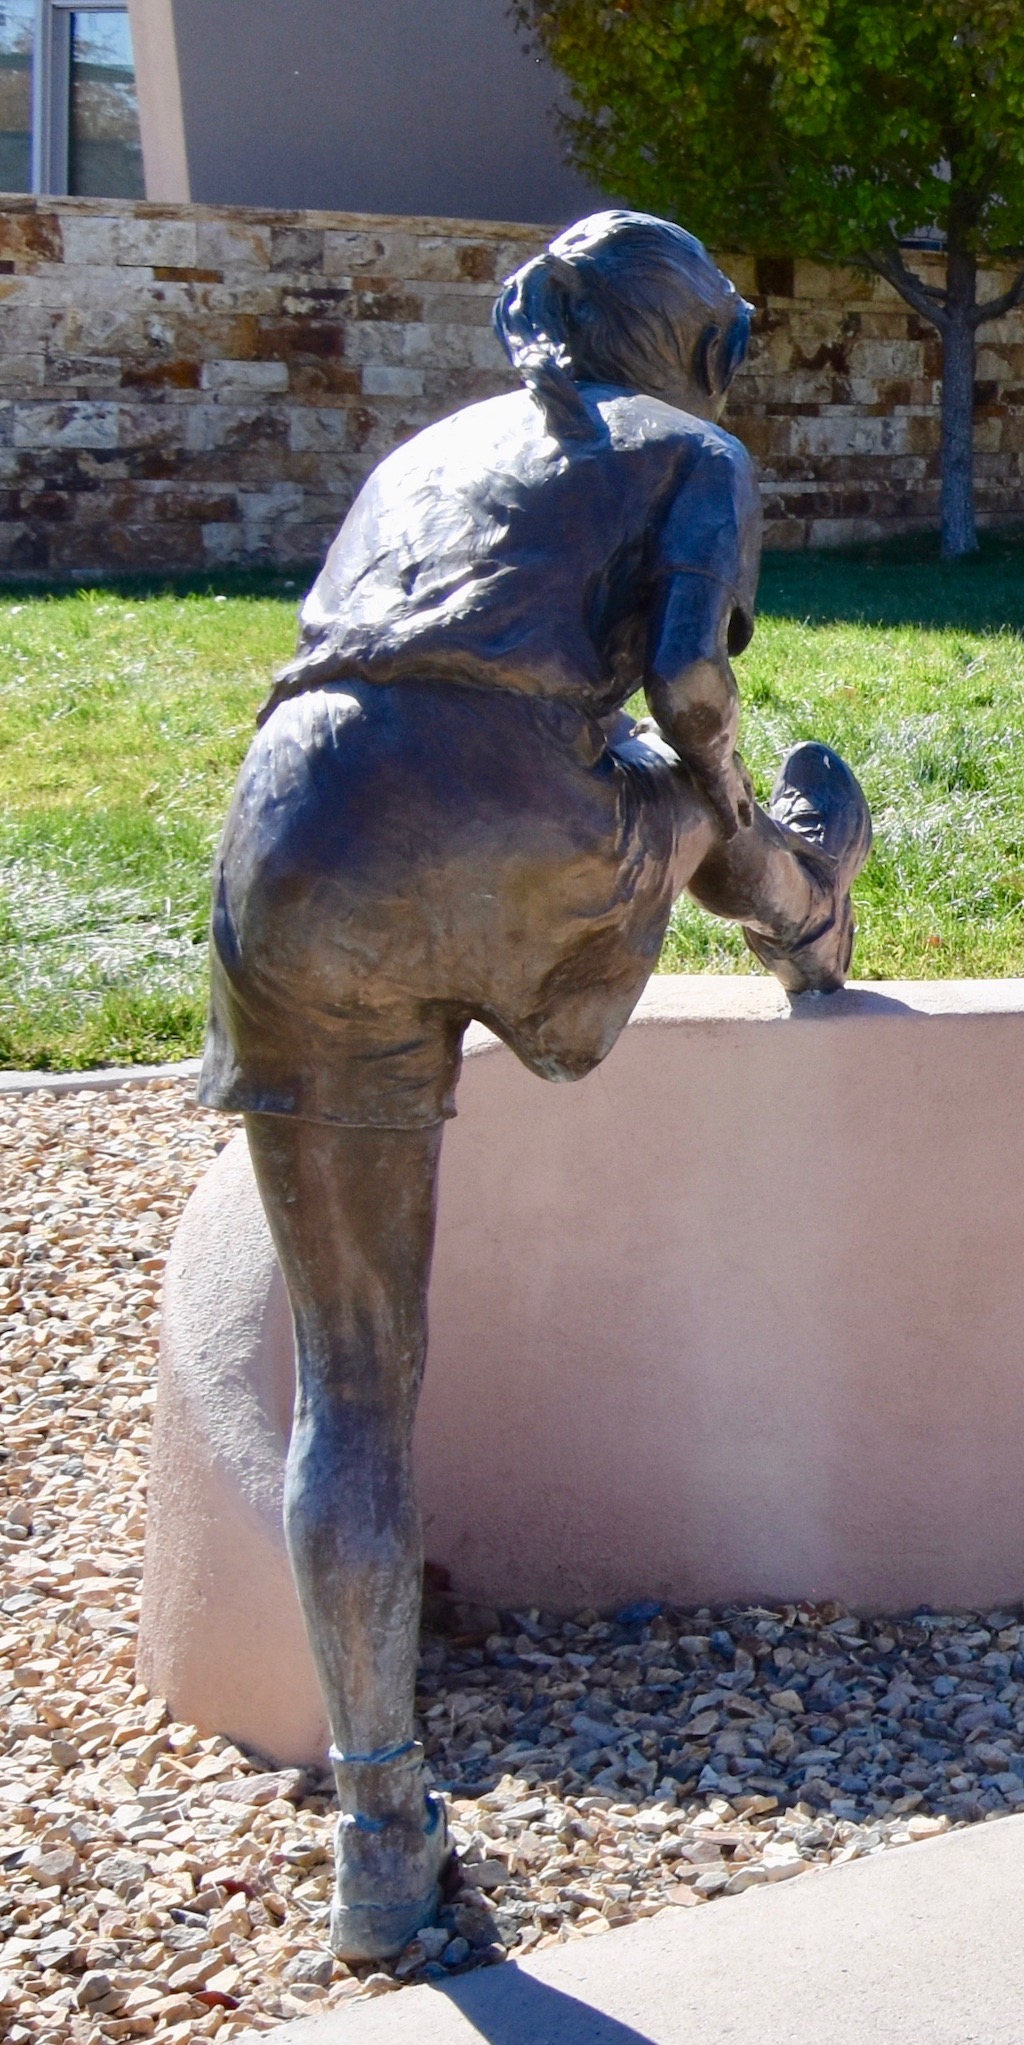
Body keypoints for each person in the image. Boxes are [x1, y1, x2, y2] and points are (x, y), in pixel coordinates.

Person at [202, 209, 869, 1962]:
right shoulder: (693, 450)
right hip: (496, 822)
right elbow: (690, 674)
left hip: (287, 841)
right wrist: (715, 784)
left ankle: (380, 1828)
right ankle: (810, 902)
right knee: (687, 789)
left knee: (354, 1385)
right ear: (687, 338)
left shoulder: (426, 450)